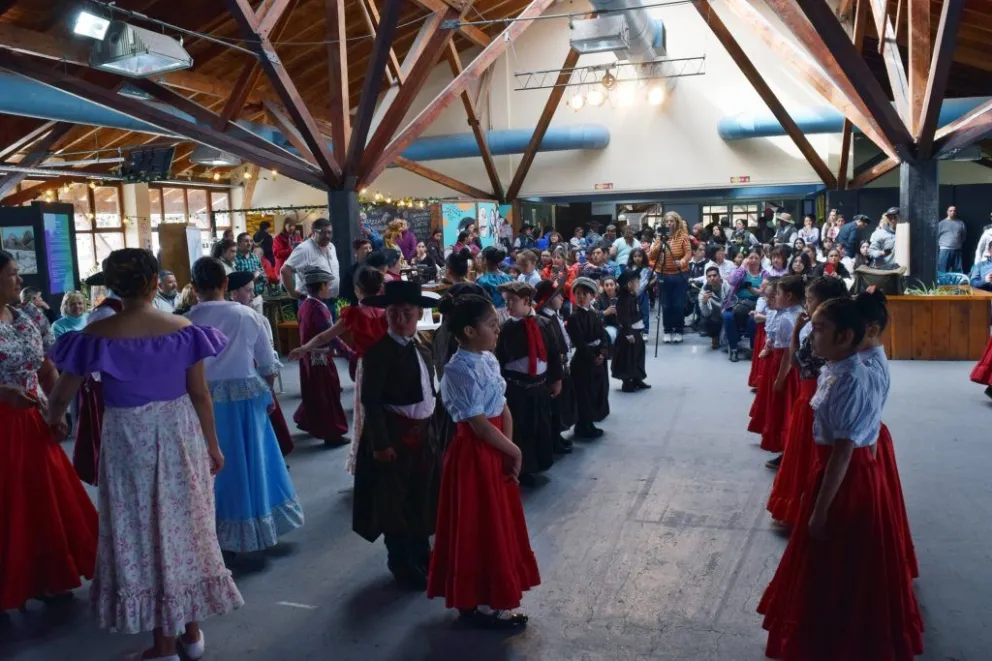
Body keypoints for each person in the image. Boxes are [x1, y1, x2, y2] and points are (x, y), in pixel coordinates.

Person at [47, 248, 242, 661]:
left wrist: (53, 416)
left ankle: (163, 644)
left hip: (127, 437)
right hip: (178, 433)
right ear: (156, 282)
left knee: (142, 532)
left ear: (112, 285)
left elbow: (64, 392)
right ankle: (191, 634)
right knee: (185, 524)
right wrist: (212, 444)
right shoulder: (183, 328)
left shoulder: (96, 335)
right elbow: (200, 394)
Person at [757, 297, 923, 661]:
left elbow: (844, 451)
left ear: (846, 336)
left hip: (843, 481)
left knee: (837, 563)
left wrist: (820, 509)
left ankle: (835, 641)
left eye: (819, 329)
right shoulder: (840, 367)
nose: (811, 337)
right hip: (835, 471)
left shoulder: (849, 379)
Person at [427, 293, 539, 629]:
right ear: (470, 331)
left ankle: (486, 596)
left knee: (498, 521)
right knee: (480, 524)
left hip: (495, 445)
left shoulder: (488, 360)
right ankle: (483, 600)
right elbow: (476, 423)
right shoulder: (458, 370)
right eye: (491, 325)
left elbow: (500, 405)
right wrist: (513, 451)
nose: (498, 330)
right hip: (475, 453)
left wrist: (508, 447)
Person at [0, 250, 98, 613]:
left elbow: (47, 365)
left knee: (43, 499)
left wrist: (57, 408)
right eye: (12, 274)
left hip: (34, 419)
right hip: (3, 423)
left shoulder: (29, 316)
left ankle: (48, 575)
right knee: (10, 503)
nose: (19, 280)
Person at [186, 257, 303, 553]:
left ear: (194, 287)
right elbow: (267, 362)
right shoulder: (248, 316)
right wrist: (269, 392)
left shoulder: (186, 320)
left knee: (209, 464)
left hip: (200, 400)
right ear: (226, 284)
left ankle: (210, 529)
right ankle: (257, 525)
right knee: (254, 461)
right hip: (245, 397)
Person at [353, 281, 441, 590]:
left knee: (422, 495)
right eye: (393, 312)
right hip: (395, 436)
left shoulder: (423, 346)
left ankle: (423, 554)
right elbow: (371, 401)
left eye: (407, 312)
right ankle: (401, 562)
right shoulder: (378, 353)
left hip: (424, 434)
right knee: (395, 500)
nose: (400, 319)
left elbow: (431, 390)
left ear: (419, 313)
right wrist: (381, 443)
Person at [288, 267, 388, 472]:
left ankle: (367, 454)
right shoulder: (388, 312)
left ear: (357, 290)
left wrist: (304, 348)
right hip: (388, 366)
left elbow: (326, 336)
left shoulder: (352, 313)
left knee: (366, 408)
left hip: (366, 366)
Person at [767, 276, 848, 527]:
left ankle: (810, 510)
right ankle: (798, 508)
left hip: (818, 398)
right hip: (806, 397)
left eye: (811, 300)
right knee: (800, 456)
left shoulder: (830, 332)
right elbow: (796, 361)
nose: (807, 304)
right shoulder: (809, 326)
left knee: (813, 458)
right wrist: (796, 332)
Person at [495, 281, 563, 486]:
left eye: (512, 301)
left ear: (526, 301)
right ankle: (522, 468)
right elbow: (500, 359)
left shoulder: (544, 324)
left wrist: (557, 379)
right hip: (517, 388)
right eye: (506, 302)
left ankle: (538, 463)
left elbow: (553, 354)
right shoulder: (506, 329)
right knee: (520, 428)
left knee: (539, 425)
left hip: (540, 386)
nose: (508, 307)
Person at [228, 271, 295, 457]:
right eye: (249, 290)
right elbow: (267, 359)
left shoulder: (255, 317)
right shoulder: (250, 317)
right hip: (252, 378)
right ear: (233, 293)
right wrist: (268, 387)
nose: (253, 295)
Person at [293, 268, 349, 446]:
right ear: (323, 286)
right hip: (320, 358)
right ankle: (332, 434)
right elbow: (329, 335)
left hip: (308, 356)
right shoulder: (319, 308)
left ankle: (307, 420)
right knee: (328, 393)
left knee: (313, 390)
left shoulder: (304, 305)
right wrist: (349, 353)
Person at [534, 279, 575, 453]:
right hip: (553, 369)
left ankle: (557, 435)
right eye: (558, 295)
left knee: (560, 405)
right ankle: (553, 441)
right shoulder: (544, 320)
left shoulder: (554, 316)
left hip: (562, 365)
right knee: (553, 407)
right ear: (549, 298)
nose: (562, 298)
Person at [567, 277, 610, 438]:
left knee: (594, 392)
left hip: (596, 358)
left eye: (585, 293)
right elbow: (579, 342)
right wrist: (593, 357)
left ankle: (590, 422)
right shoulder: (573, 318)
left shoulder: (595, 314)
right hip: (583, 362)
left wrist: (602, 352)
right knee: (583, 394)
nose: (581, 297)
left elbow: (602, 334)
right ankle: (582, 425)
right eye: (578, 293)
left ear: (592, 295)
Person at [649, 211, 692, 344]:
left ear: (677, 222)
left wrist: (682, 262)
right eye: (667, 221)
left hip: (679, 274)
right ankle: (667, 330)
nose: (669, 224)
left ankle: (678, 330)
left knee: (678, 304)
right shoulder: (660, 237)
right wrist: (661, 242)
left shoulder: (684, 237)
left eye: (671, 221)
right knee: (666, 304)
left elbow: (688, 253)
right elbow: (652, 255)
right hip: (663, 274)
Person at [280, 218, 340, 306]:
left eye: (329, 232)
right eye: (323, 232)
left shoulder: (331, 247)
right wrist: (292, 293)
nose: (327, 236)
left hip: (330, 301)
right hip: (311, 303)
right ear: (313, 231)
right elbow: (285, 271)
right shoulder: (304, 249)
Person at [722, 249, 767, 362]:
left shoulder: (765, 273)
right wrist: (742, 266)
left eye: (756, 258)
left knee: (753, 320)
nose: (753, 260)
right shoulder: (741, 271)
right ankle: (733, 348)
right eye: (750, 257)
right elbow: (732, 281)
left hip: (757, 306)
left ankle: (753, 349)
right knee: (728, 317)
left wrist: (754, 291)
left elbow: (767, 292)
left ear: (760, 260)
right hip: (737, 303)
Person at [612, 270, 649, 392]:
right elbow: (624, 317)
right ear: (628, 285)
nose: (638, 284)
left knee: (638, 354)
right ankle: (627, 381)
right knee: (627, 357)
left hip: (637, 329)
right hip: (628, 332)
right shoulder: (623, 300)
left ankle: (637, 378)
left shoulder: (633, 297)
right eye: (636, 282)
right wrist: (628, 333)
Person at [698, 265, 731, 349]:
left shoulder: (728, 287)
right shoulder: (703, 292)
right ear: (707, 278)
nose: (712, 278)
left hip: (727, 312)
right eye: (709, 276)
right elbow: (705, 314)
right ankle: (714, 336)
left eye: (714, 275)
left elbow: (733, 303)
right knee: (704, 320)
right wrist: (704, 303)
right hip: (714, 316)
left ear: (719, 277)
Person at [476, 246, 513, 320]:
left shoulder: (484, 281)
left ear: (485, 260)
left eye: (480, 258)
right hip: (510, 314)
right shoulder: (508, 277)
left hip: (492, 317)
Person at [234, 232, 265, 315]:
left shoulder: (254, 256)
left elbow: (262, 272)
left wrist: (263, 280)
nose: (249, 243)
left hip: (257, 297)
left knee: (259, 324)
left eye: (251, 241)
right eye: (246, 241)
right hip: (242, 299)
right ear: (239, 243)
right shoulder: (235, 258)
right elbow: (235, 280)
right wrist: (253, 277)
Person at [340, 238, 374, 307]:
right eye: (365, 248)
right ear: (357, 251)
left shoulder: (375, 270)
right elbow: (345, 295)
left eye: (370, 248)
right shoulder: (350, 273)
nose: (369, 251)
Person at [938, 205, 967, 273]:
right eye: (950, 210)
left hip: (957, 249)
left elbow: (963, 236)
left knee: (958, 270)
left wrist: (958, 244)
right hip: (945, 249)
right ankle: (943, 283)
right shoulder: (941, 224)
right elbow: (936, 236)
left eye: (954, 211)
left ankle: (957, 283)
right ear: (947, 212)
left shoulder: (961, 223)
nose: (952, 212)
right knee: (942, 269)